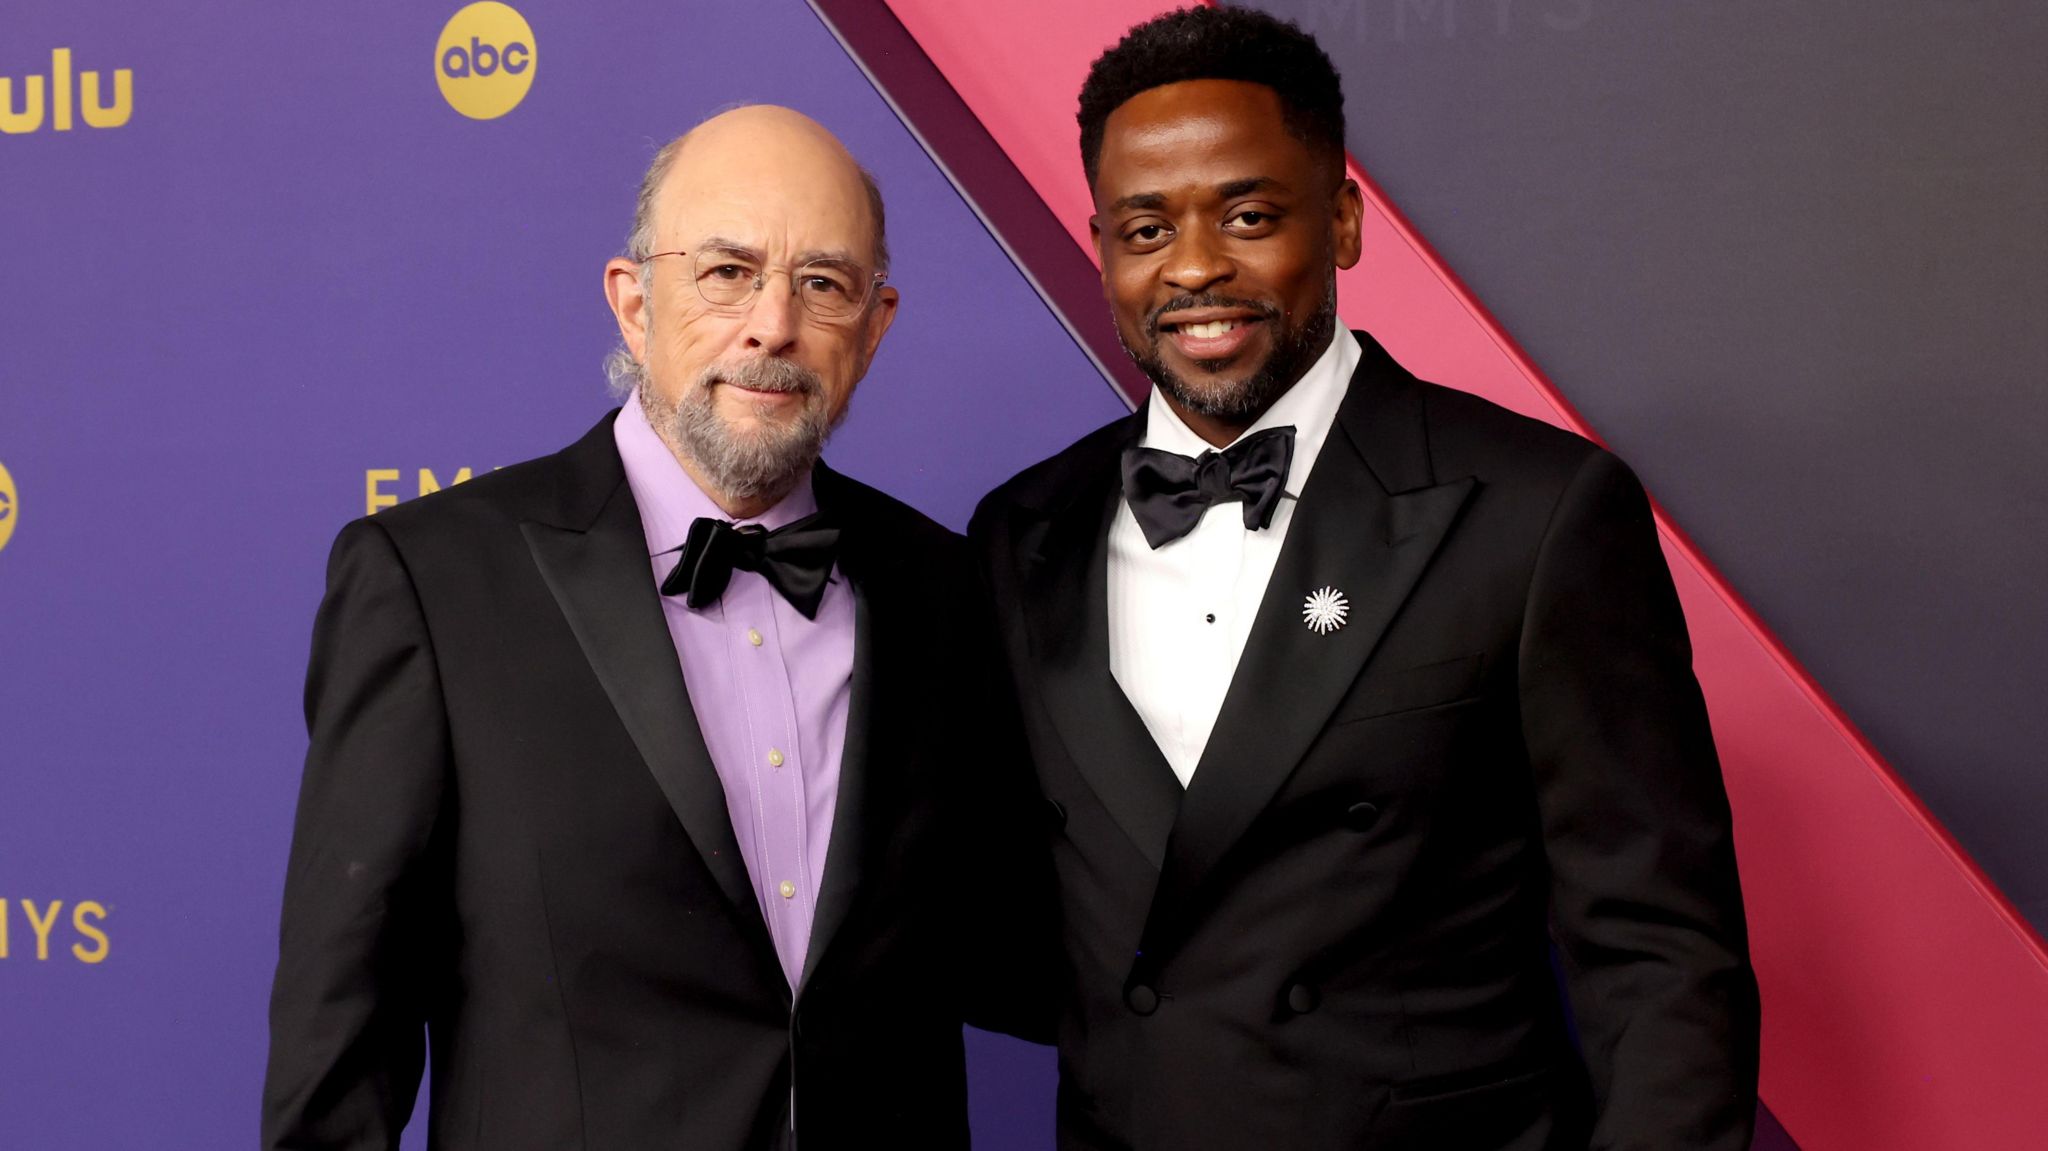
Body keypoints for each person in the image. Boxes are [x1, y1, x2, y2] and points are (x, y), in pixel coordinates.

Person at [969, 9, 1760, 1149]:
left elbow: (1659, 955)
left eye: (1247, 215)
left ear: (1338, 221)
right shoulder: (1020, 534)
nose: (1193, 267)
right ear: (1101, 245)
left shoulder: (1536, 512)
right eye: (1146, 228)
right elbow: (1003, 918)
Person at [263, 105, 1048, 1150]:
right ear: (633, 304)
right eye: (725, 271)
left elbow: (1014, 953)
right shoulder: (432, 581)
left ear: (876, 322)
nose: (772, 325)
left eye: (821, 282)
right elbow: (338, 1037)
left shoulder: (948, 586)